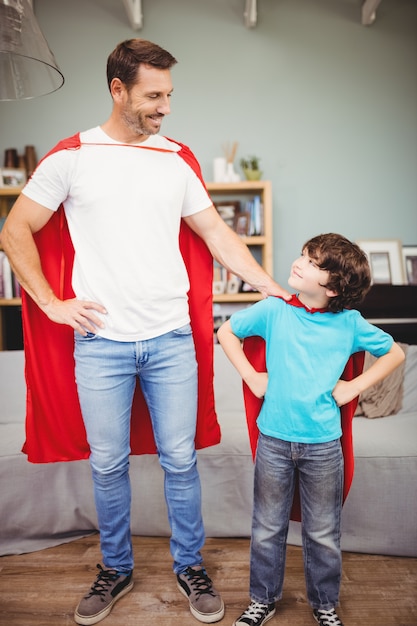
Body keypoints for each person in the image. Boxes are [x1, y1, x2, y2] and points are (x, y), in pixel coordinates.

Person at [0, 39, 290, 625]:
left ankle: (189, 564)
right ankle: (116, 566)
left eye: (169, 95)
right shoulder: (73, 157)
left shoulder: (175, 159)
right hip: (100, 344)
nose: (165, 106)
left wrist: (268, 284)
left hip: (172, 339)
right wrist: (53, 303)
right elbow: (15, 231)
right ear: (118, 89)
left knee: (179, 461)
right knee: (106, 463)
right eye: (153, 95)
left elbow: (215, 234)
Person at [217, 233, 405, 626]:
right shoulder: (273, 311)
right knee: (268, 527)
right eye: (303, 254)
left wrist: (353, 387)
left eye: (313, 262)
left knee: (323, 531)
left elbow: (394, 352)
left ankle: (324, 604)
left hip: (323, 447)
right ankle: (261, 600)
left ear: (334, 286)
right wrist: (252, 377)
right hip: (274, 441)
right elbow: (227, 332)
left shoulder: (350, 323)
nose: (300, 262)